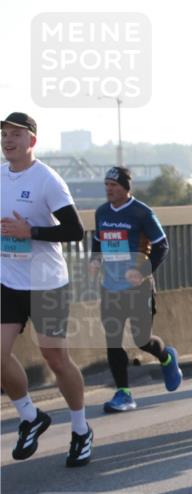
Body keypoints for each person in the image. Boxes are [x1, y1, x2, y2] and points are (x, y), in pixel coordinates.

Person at [1, 112, 94, 467]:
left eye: (16, 134)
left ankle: (81, 429)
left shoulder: (47, 180)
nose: (8, 140)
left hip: (46, 283)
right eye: (4, 134)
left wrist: (32, 232)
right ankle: (30, 416)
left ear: (32, 141)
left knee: (55, 359)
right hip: (8, 280)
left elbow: (75, 230)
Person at [90, 167, 182, 413]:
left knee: (142, 340)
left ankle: (166, 357)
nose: (109, 189)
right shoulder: (101, 212)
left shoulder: (142, 212)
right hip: (110, 287)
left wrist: (141, 272)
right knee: (113, 341)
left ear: (126, 187)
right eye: (106, 185)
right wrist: (94, 261)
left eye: (114, 185)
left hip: (137, 288)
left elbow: (162, 246)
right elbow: (98, 241)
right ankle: (124, 393)